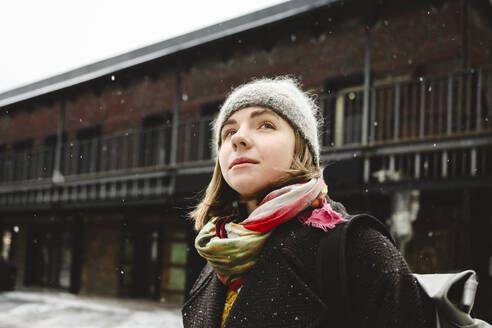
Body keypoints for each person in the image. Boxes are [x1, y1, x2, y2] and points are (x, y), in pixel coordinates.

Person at [182, 77, 434, 328]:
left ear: (301, 147)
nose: (238, 138)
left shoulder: (357, 249)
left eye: (266, 125)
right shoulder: (219, 255)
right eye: (228, 132)